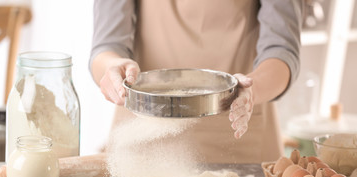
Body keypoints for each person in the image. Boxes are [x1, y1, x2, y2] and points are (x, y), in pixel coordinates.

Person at [90, 0, 302, 163]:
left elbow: (281, 50)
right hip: (144, 136)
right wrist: (112, 67)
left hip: (239, 133)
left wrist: (251, 89)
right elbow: (107, 46)